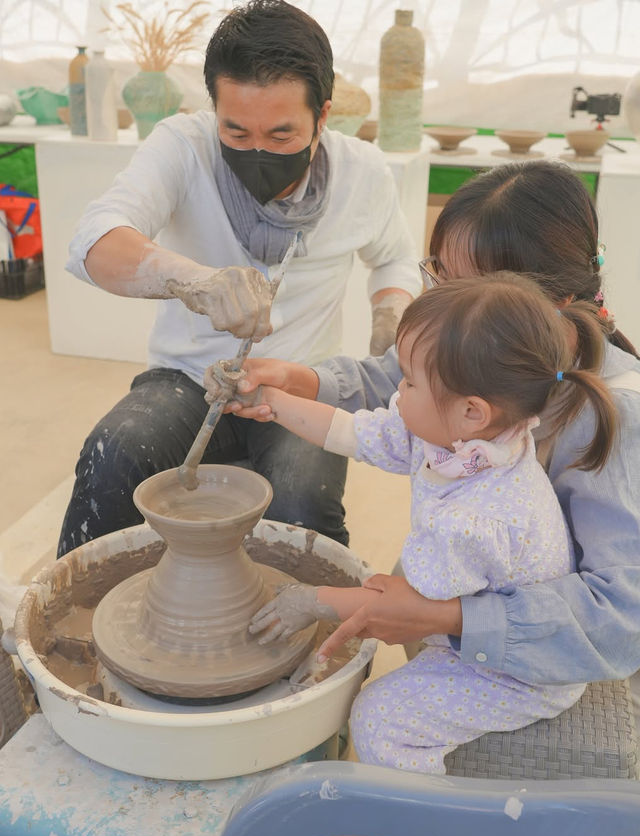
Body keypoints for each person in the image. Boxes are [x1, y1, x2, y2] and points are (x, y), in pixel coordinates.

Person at [208, 159, 640, 722]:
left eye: (454, 288)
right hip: (477, 572)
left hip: (545, 646)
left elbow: (622, 617)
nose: (436, 297)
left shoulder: (614, 416)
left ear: (532, 308)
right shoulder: (481, 346)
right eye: (437, 276)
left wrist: (454, 618)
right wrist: (298, 383)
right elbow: (398, 382)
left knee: (382, 718)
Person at [58, 0, 420, 557]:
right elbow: (92, 240)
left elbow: (394, 257)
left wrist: (390, 312)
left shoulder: (363, 172)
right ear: (214, 109)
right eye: (237, 131)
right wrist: (191, 280)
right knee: (116, 451)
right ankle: (64, 623)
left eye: (280, 136)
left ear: (322, 116)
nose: (257, 152)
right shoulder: (183, 146)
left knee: (303, 501)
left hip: (301, 379)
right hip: (187, 376)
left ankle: (313, 633)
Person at [245, 273, 617, 772]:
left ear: (471, 411)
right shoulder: (467, 441)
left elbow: (412, 605)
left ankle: (432, 834)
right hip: (477, 612)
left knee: (378, 719)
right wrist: (271, 402)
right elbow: (355, 432)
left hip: (522, 669)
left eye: (410, 381)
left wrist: (310, 601)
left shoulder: (476, 516)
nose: (398, 392)